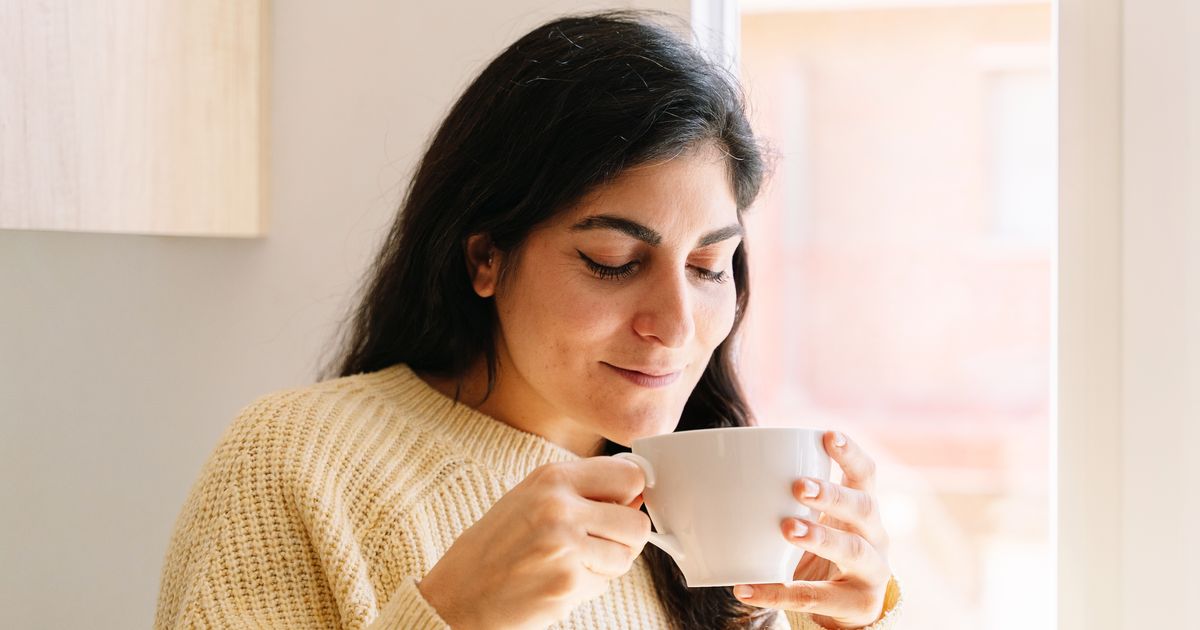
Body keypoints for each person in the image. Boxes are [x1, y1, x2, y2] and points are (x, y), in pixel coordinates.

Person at [154, 10, 903, 630]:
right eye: (613, 260)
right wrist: (451, 614)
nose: (676, 325)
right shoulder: (296, 462)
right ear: (485, 258)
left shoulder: (712, 512)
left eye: (710, 269)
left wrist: (846, 622)